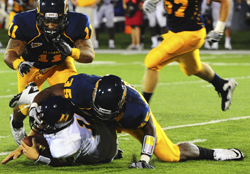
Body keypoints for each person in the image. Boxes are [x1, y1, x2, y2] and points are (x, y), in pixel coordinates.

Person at [4, 74, 244, 169]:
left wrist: (144, 158)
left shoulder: (136, 109)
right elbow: (51, 93)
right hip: (87, 113)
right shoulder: (81, 89)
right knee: (41, 107)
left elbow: (149, 130)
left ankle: (214, 153)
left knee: (169, 154)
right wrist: (34, 119)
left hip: (125, 121)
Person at [3, 0, 95, 146]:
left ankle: (85, 137)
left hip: (60, 64)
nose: (51, 25)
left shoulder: (77, 22)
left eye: (56, 21)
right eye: (47, 21)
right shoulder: (23, 21)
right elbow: (10, 53)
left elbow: (89, 55)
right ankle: (16, 123)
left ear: (65, 17)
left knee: (74, 97)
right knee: (25, 107)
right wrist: (19, 64)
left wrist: (72, 51)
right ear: (39, 16)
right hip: (31, 66)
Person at [141, 0, 237, 111]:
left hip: (191, 34)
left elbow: (225, 0)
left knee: (152, 62)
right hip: (173, 33)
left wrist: (218, 29)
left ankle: (141, 110)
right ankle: (223, 85)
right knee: (193, 68)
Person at [2, 96, 120, 166]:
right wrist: (21, 146)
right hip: (104, 134)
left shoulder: (69, 141)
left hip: (102, 156)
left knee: (40, 143)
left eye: (46, 122)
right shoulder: (69, 107)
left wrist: (38, 157)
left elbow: (63, 161)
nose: (40, 123)